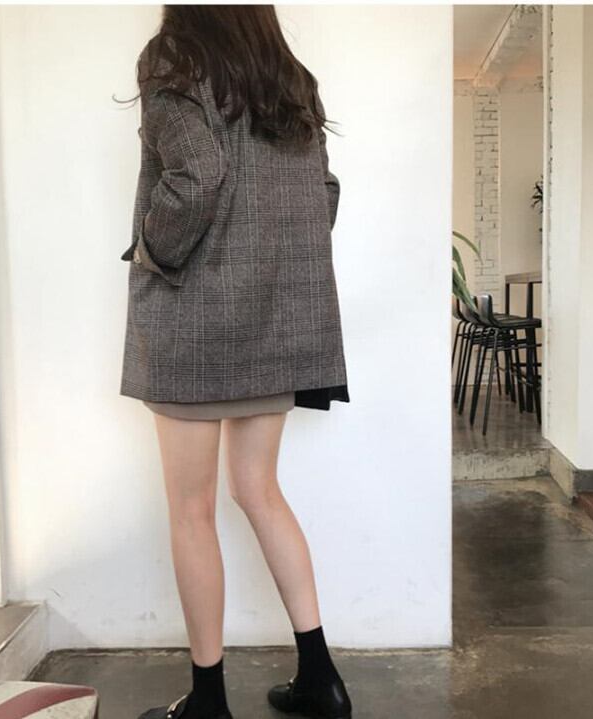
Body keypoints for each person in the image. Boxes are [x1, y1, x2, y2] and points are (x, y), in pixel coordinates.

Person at [116, 6, 352, 719]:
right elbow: (323, 191)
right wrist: (277, 261)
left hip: (194, 324)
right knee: (259, 490)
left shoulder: (173, 59)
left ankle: (209, 702)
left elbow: (197, 176)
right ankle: (320, 679)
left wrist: (151, 249)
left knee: (192, 510)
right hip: (276, 323)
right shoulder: (288, 76)